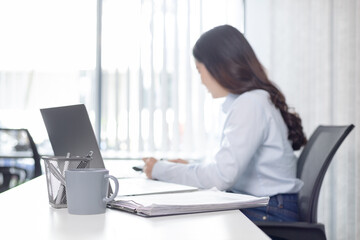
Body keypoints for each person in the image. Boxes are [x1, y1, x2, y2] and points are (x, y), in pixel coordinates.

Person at [142, 24, 307, 222]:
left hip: (270, 211)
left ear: (218, 68)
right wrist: (189, 167)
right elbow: (225, 168)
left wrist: (160, 169)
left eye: (199, 71)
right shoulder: (251, 101)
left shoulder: (251, 103)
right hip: (270, 206)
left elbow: (221, 177)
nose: (201, 81)